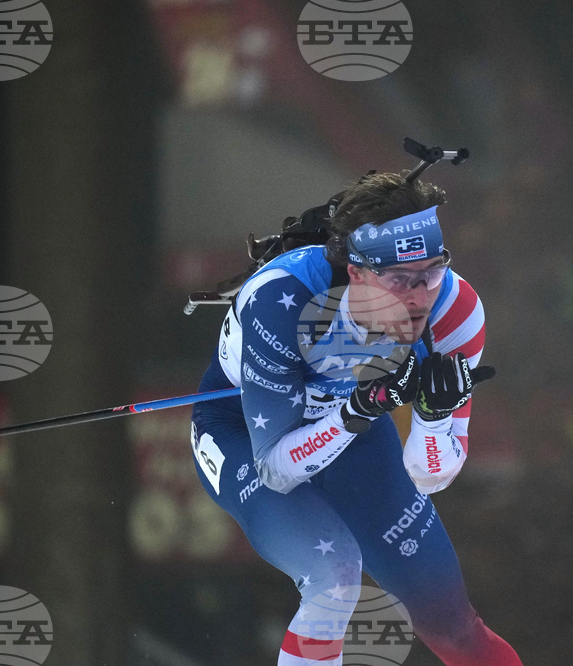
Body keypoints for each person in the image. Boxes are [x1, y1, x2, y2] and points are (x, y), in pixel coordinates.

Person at [190, 172, 522, 665]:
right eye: (399, 280)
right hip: (244, 431)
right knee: (334, 577)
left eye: (431, 274)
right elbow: (275, 470)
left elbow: (430, 477)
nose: (418, 298)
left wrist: (433, 418)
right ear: (358, 272)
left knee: (452, 626)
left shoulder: (455, 311)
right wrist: (355, 412)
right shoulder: (282, 300)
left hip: (357, 431)